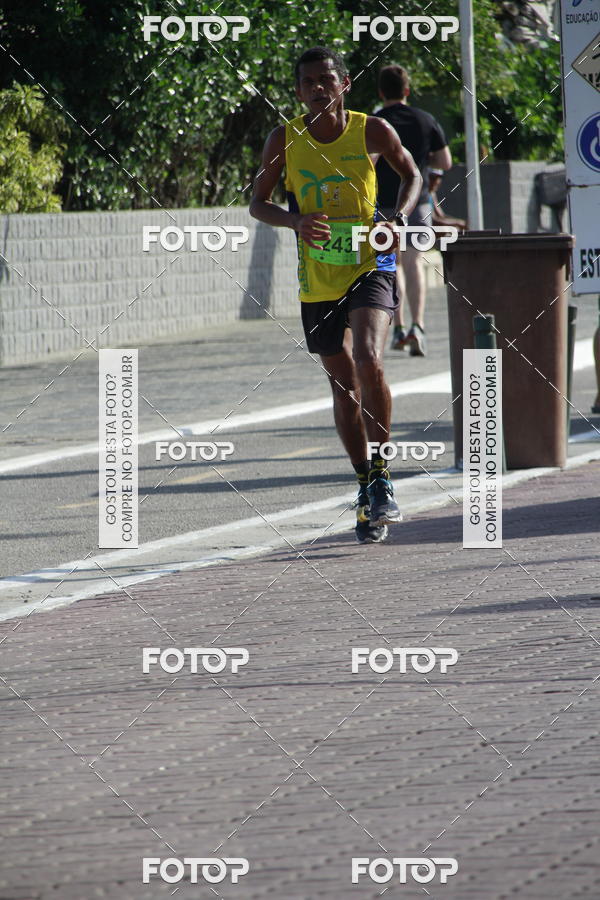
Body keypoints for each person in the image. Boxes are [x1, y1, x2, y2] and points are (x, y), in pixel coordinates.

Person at [249, 46, 421, 544]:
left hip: (371, 262)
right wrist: (296, 221)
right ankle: (365, 484)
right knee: (343, 386)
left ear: (344, 84)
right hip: (319, 277)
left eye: (326, 79)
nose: (318, 88)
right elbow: (258, 203)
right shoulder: (283, 139)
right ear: (298, 91)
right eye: (308, 82)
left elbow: (411, 174)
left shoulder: (372, 130)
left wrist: (397, 219)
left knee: (368, 358)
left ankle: (383, 476)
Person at [375, 65, 452, 356]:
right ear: (407, 90)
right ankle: (418, 326)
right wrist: (423, 158)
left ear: (381, 93)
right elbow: (445, 162)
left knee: (390, 264)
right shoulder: (425, 119)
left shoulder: (374, 123)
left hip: (382, 204)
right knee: (414, 262)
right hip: (417, 203)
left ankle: (397, 327)